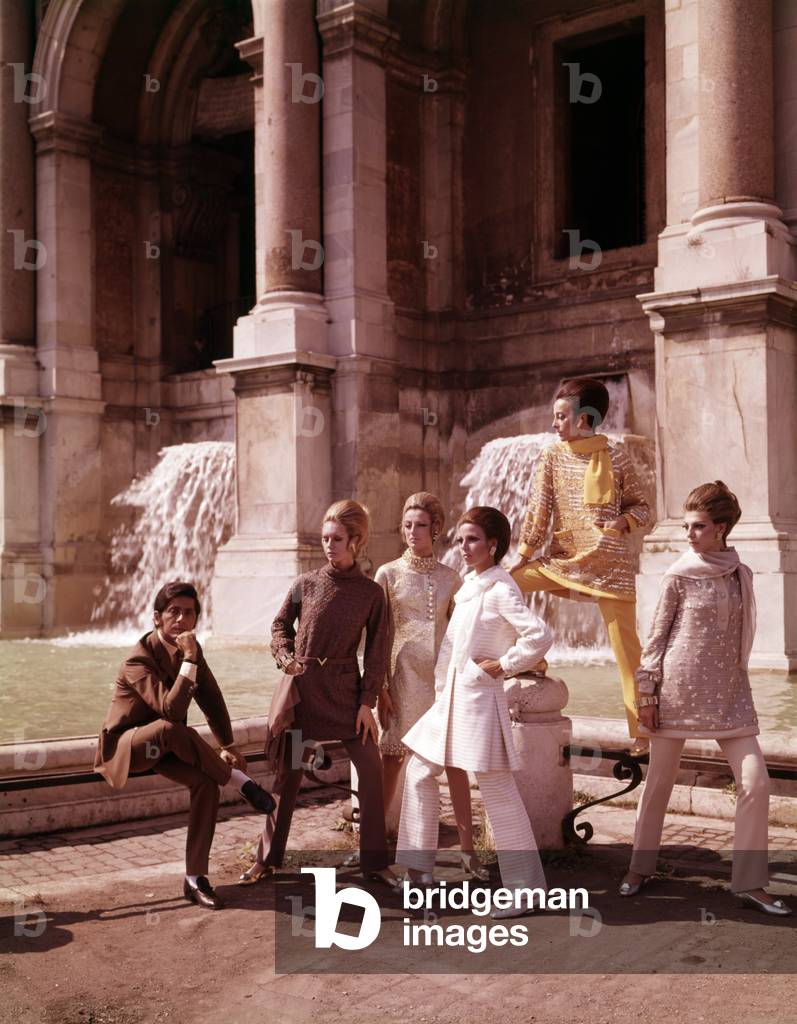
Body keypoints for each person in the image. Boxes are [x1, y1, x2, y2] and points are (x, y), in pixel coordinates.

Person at [619, 482, 791, 917]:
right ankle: (640, 868)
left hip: (730, 696)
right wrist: (647, 696)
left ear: (721, 528)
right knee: (658, 782)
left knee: (756, 782)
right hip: (677, 693)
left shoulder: (740, 573)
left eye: (698, 527)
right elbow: (656, 640)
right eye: (686, 526)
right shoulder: (678, 573)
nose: (689, 534)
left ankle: (750, 883)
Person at [397, 507, 554, 918]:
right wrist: (445, 686)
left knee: (497, 791)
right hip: (451, 701)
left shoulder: (500, 587)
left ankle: (525, 891)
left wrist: (504, 665)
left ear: (493, 545)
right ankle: (419, 872)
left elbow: (539, 635)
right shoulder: (472, 584)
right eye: (461, 539)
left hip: (479, 702)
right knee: (418, 771)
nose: (463, 547)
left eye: (472, 540)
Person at [239, 500, 398, 890]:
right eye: (325, 538)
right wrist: (284, 655)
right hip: (304, 694)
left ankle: (375, 864)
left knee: (372, 769)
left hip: (346, 696)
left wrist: (367, 704)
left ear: (356, 541)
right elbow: (280, 624)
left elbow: (377, 652)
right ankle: (268, 859)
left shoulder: (371, 594)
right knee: (288, 776)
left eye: (337, 539)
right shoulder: (304, 584)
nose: (329, 545)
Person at [95, 581, 276, 910]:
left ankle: (195, 879)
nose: (180, 618)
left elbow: (211, 697)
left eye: (188, 613)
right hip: (127, 748)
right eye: (173, 612)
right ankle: (241, 784)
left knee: (206, 784)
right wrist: (190, 660)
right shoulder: (138, 659)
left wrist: (229, 744)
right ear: (157, 618)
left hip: (167, 745)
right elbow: (171, 710)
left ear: (196, 619)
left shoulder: (191, 652)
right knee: (170, 727)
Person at [509, 377, 651, 750]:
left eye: (560, 417)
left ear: (584, 418)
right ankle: (529, 660)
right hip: (565, 561)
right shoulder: (552, 456)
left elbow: (644, 508)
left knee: (627, 656)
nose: (554, 425)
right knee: (505, 587)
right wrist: (520, 558)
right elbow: (539, 513)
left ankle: (642, 734)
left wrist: (623, 522)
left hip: (612, 568)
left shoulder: (617, 456)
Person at [376, 492, 486, 878]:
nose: (412, 532)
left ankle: (468, 851)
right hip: (401, 678)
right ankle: (378, 848)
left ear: (436, 529)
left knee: (453, 763)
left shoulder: (451, 578)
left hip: (442, 683)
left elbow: (463, 633)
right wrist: (380, 687)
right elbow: (378, 636)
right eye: (406, 525)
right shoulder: (387, 574)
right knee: (392, 760)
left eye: (420, 525)